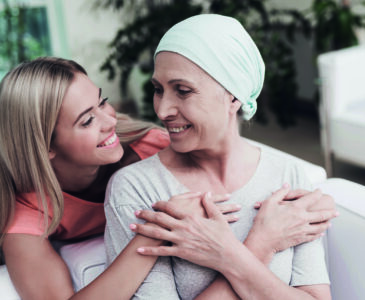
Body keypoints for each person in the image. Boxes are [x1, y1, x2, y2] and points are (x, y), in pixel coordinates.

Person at [104, 14, 335, 300]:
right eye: (158, 89)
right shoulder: (138, 190)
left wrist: (230, 256)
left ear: (234, 96)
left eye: (183, 91)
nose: (162, 111)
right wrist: (259, 245)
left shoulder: (287, 177)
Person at [0, 57, 238, 300]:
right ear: (44, 146)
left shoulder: (152, 149)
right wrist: (156, 230)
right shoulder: (26, 208)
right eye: (87, 120)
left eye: (102, 103)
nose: (111, 121)